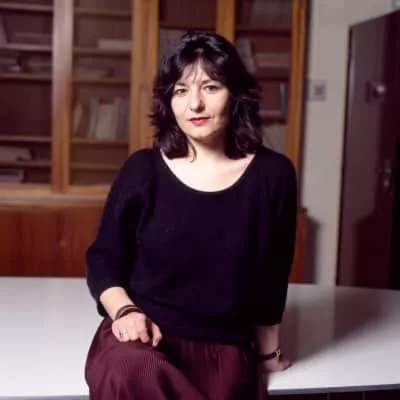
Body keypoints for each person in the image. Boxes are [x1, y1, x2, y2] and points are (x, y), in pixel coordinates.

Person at [84, 31, 297, 400]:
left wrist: (267, 355)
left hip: (223, 346)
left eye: (210, 87)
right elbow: (104, 258)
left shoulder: (273, 174)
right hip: (141, 336)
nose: (195, 104)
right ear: (169, 101)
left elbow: (272, 279)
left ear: (236, 94)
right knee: (135, 372)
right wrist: (125, 312)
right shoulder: (142, 169)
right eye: (181, 91)